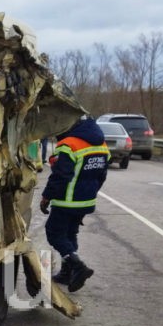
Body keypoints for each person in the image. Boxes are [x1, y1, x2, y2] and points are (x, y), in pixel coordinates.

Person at [40, 117, 110, 292]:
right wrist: (90, 192)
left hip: (67, 200)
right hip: (86, 200)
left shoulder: (69, 144)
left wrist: (46, 196)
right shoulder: (101, 144)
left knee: (54, 233)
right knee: (70, 233)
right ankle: (67, 272)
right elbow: (102, 174)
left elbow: (60, 176)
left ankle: (77, 266)